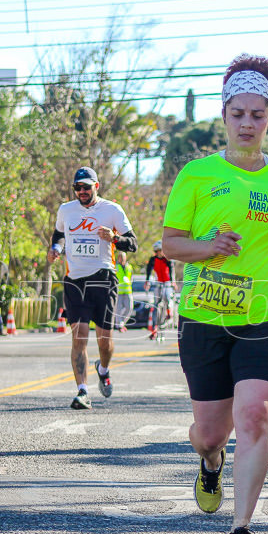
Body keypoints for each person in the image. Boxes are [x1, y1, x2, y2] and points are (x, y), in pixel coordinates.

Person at [161, 54, 268, 534]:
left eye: (258, 115)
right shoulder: (197, 174)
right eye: (239, 114)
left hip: (266, 315)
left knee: (254, 413)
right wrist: (207, 247)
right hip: (206, 315)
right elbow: (169, 245)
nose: (248, 123)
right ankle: (211, 461)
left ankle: (242, 528)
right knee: (210, 432)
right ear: (224, 116)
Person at [48, 166, 138, 410]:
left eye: (86, 187)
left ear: (96, 186)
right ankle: (82, 391)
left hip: (103, 279)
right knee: (79, 337)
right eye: (77, 188)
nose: (81, 192)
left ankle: (103, 368)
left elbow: (133, 244)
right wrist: (55, 249)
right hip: (75, 281)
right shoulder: (66, 210)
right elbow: (58, 235)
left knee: (104, 341)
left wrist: (114, 238)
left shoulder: (112, 210)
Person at [144, 239, 175, 339]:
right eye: (158, 251)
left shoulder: (168, 259)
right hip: (158, 283)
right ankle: (154, 329)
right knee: (156, 306)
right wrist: (147, 282)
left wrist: (173, 282)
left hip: (167, 283)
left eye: (161, 250)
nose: (160, 253)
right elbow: (148, 272)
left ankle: (169, 312)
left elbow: (172, 271)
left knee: (167, 296)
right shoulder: (153, 260)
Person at [114, 251, 133, 331]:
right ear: (118, 258)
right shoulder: (116, 267)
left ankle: (122, 323)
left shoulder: (129, 267)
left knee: (129, 308)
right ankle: (119, 325)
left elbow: (131, 277)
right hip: (119, 291)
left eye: (123, 257)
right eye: (120, 257)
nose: (122, 259)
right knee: (118, 310)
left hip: (128, 290)